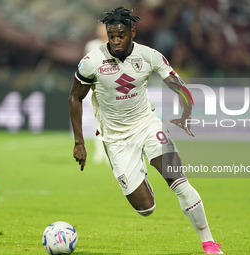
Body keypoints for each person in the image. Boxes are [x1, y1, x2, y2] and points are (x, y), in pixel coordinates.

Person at [68, 6, 223, 254]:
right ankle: (140, 172)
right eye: (111, 36)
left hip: (147, 125)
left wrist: (186, 112)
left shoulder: (149, 55)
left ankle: (209, 242)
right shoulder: (92, 62)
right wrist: (79, 142)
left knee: (178, 180)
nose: (116, 41)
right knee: (146, 209)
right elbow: (75, 98)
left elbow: (177, 84)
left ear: (133, 32)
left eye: (121, 35)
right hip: (116, 138)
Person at [84, 23, 110, 165]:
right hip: (96, 87)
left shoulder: (118, 45)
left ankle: (111, 152)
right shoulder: (92, 45)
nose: (101, 31)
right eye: (99, 28)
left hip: (114, 88)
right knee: (99, 121)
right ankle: (99, 152)